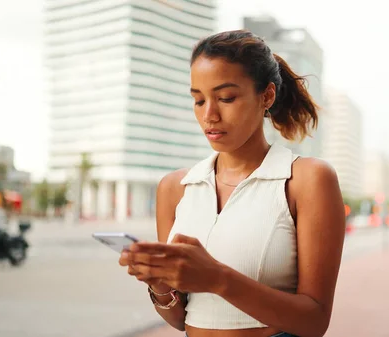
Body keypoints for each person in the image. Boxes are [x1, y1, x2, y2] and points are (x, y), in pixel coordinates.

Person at [119, 30, 346, 337]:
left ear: (266, 96)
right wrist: (161, 285)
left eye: (226, 98)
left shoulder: (307, 180)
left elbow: (315, 321)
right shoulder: (176, 187)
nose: (209, 115)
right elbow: (180, 319)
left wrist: (216, 278)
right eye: (198, 100)